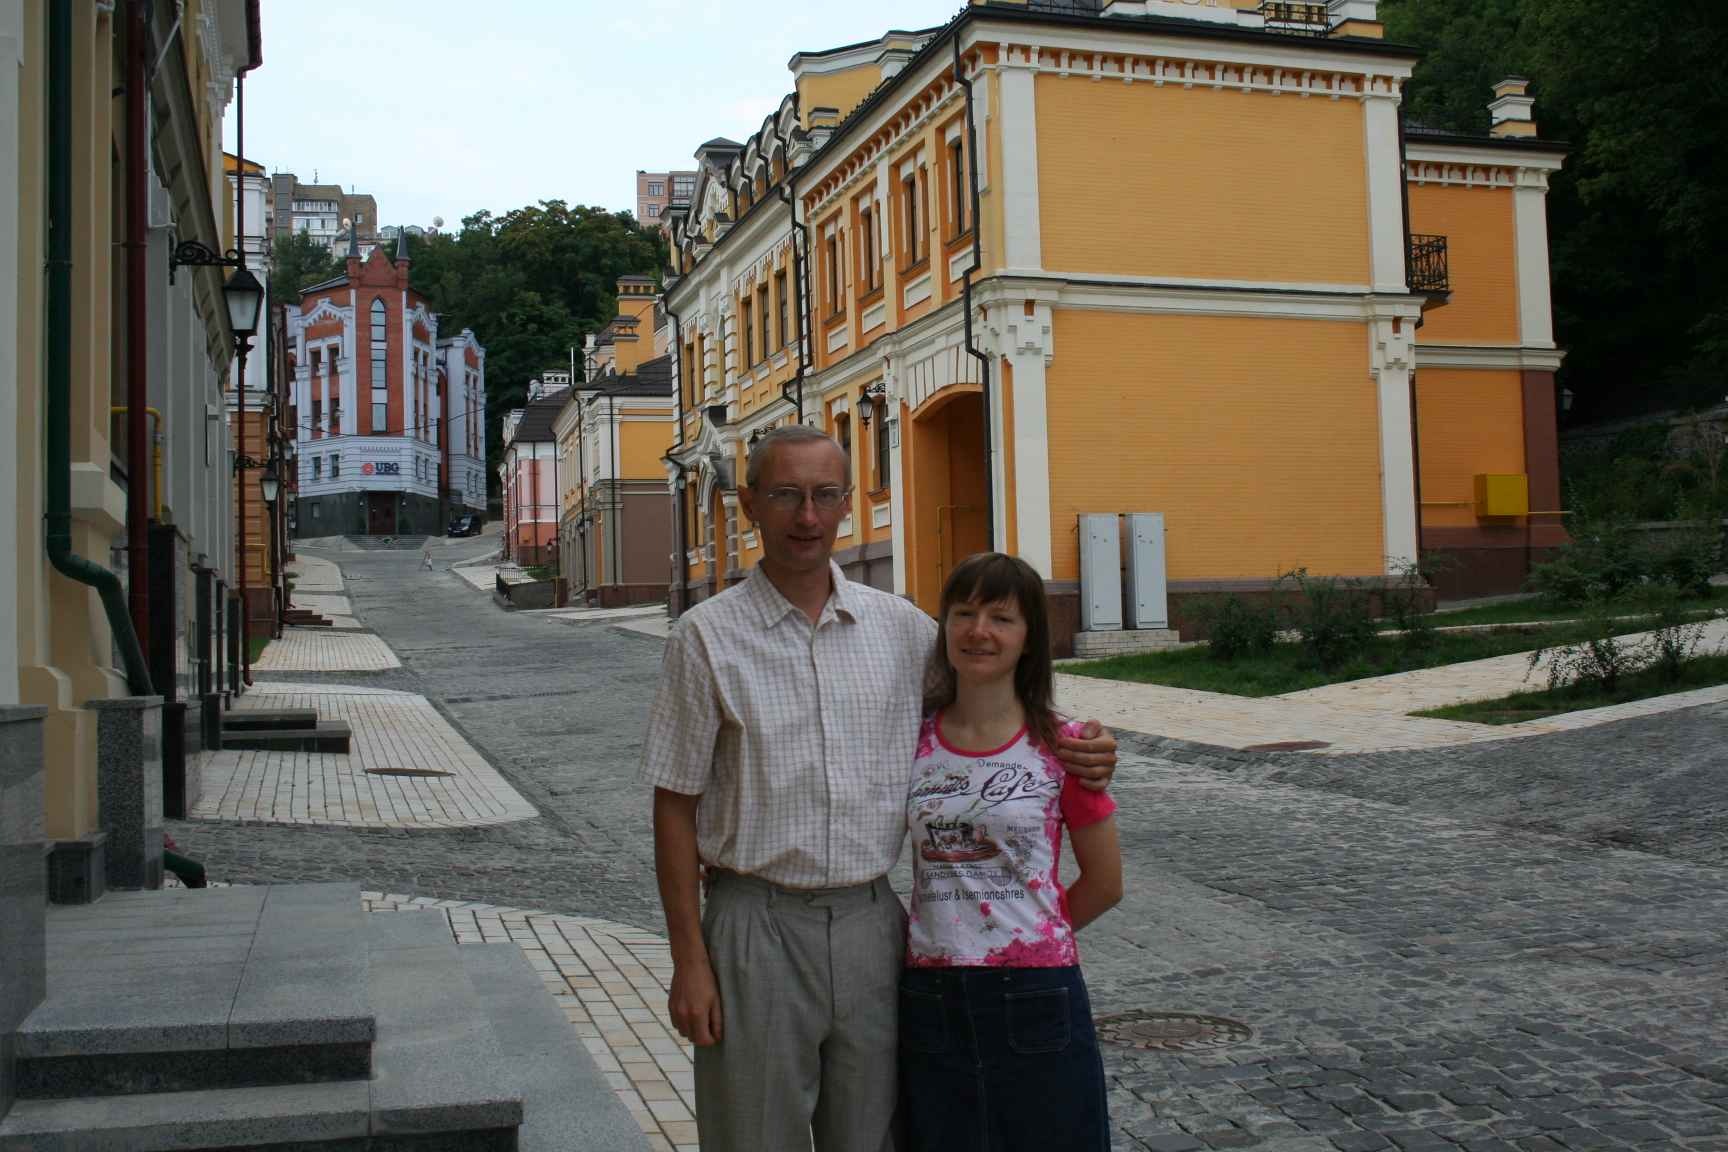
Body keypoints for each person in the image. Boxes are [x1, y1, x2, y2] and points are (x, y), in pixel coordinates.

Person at [641, 425, 1117, 1152]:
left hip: (874, 929)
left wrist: (1078, 741)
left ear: (847, 504)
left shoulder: (901, 630)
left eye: (825, 495)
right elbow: (673, 806)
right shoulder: (704, 638)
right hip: (754, 928)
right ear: (750, 505)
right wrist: (689, 961)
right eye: (786, 495)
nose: (807, 516)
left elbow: (985, 701)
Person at [900, 552, 1122, 1152]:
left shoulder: (1064, 746)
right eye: (964, 613)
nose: (979, 631)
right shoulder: (911, 741)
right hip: (931, 995)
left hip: (1037, 994)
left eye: (1001, 618)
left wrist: (1029, 935)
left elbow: (1105, 882)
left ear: (1029, 639)